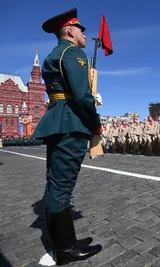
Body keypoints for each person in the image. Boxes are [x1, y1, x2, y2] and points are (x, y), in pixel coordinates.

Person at [32, 7, 102, 265]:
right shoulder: (73, 53)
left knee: (55, 182)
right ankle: (65, 250)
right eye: (82, 30)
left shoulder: (55, 54)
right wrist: (95, 124)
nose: (85, 35)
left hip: (58, 119)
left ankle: (65, 241)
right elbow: (82, 96)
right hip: (70, 123)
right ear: (71, 31)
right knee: (62, 187)